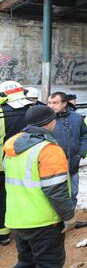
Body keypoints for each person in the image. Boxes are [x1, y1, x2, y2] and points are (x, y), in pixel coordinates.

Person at [4, 105, 77, 267]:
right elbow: (56, 191)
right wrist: (69, 216)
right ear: (49, 122)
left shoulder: (11, 145)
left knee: (26, 261)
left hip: (18, 219)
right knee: (49, 263)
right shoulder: (48, 150)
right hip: (44, 222)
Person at [48, 91, 87, 228]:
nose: (51, 106)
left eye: (55, 103)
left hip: (73, 164)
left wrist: (81, 153)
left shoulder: (77, 118)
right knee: (56, 194)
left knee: (73, 192)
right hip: (53, 167)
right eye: (49, 103)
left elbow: (85, 135)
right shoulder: (47, 120)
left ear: (65, 103)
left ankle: (70, 220)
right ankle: (55, 222)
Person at [0, 81, 34, 245]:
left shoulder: (1, 112)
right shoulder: (31, 110)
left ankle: (3, 233)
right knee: (25, 193)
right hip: (27, 162)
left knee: (2, 196)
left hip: (2, 164)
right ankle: (26, 228)